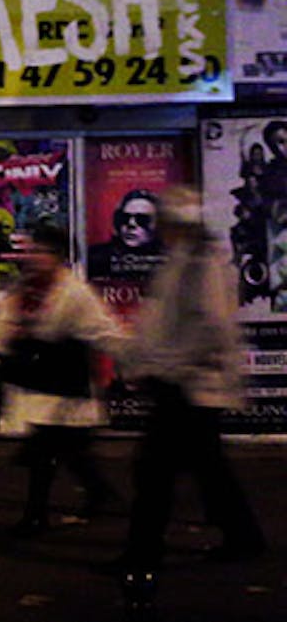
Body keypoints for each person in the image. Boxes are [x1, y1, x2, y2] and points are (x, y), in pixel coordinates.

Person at [107, 185, 265, 575]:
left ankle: (142, 554)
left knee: (155, 471)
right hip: (188, 383)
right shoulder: (187, 258)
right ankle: (243, 537)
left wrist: (166, 363)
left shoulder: (199, 262)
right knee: (207, 468)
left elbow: (208, 324)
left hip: (188, 384)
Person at [0, 221, 126, 537]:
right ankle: (98, 494)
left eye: (43, 252)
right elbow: (6, 326)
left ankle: (37, 515)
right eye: (33, 250)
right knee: (66, 448)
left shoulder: (74, 293)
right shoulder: (24, 289)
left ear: (58, 256)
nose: (35, 257)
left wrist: (132, 357)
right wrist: (1, 345)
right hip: (39, 378)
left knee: (47, 449)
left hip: (64, 379)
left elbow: (102, 330)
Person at [87, 189, 164, 279]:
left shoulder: (172, 259)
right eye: (125, 218)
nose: (131, 224)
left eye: (142, 219)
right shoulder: (96, 257)